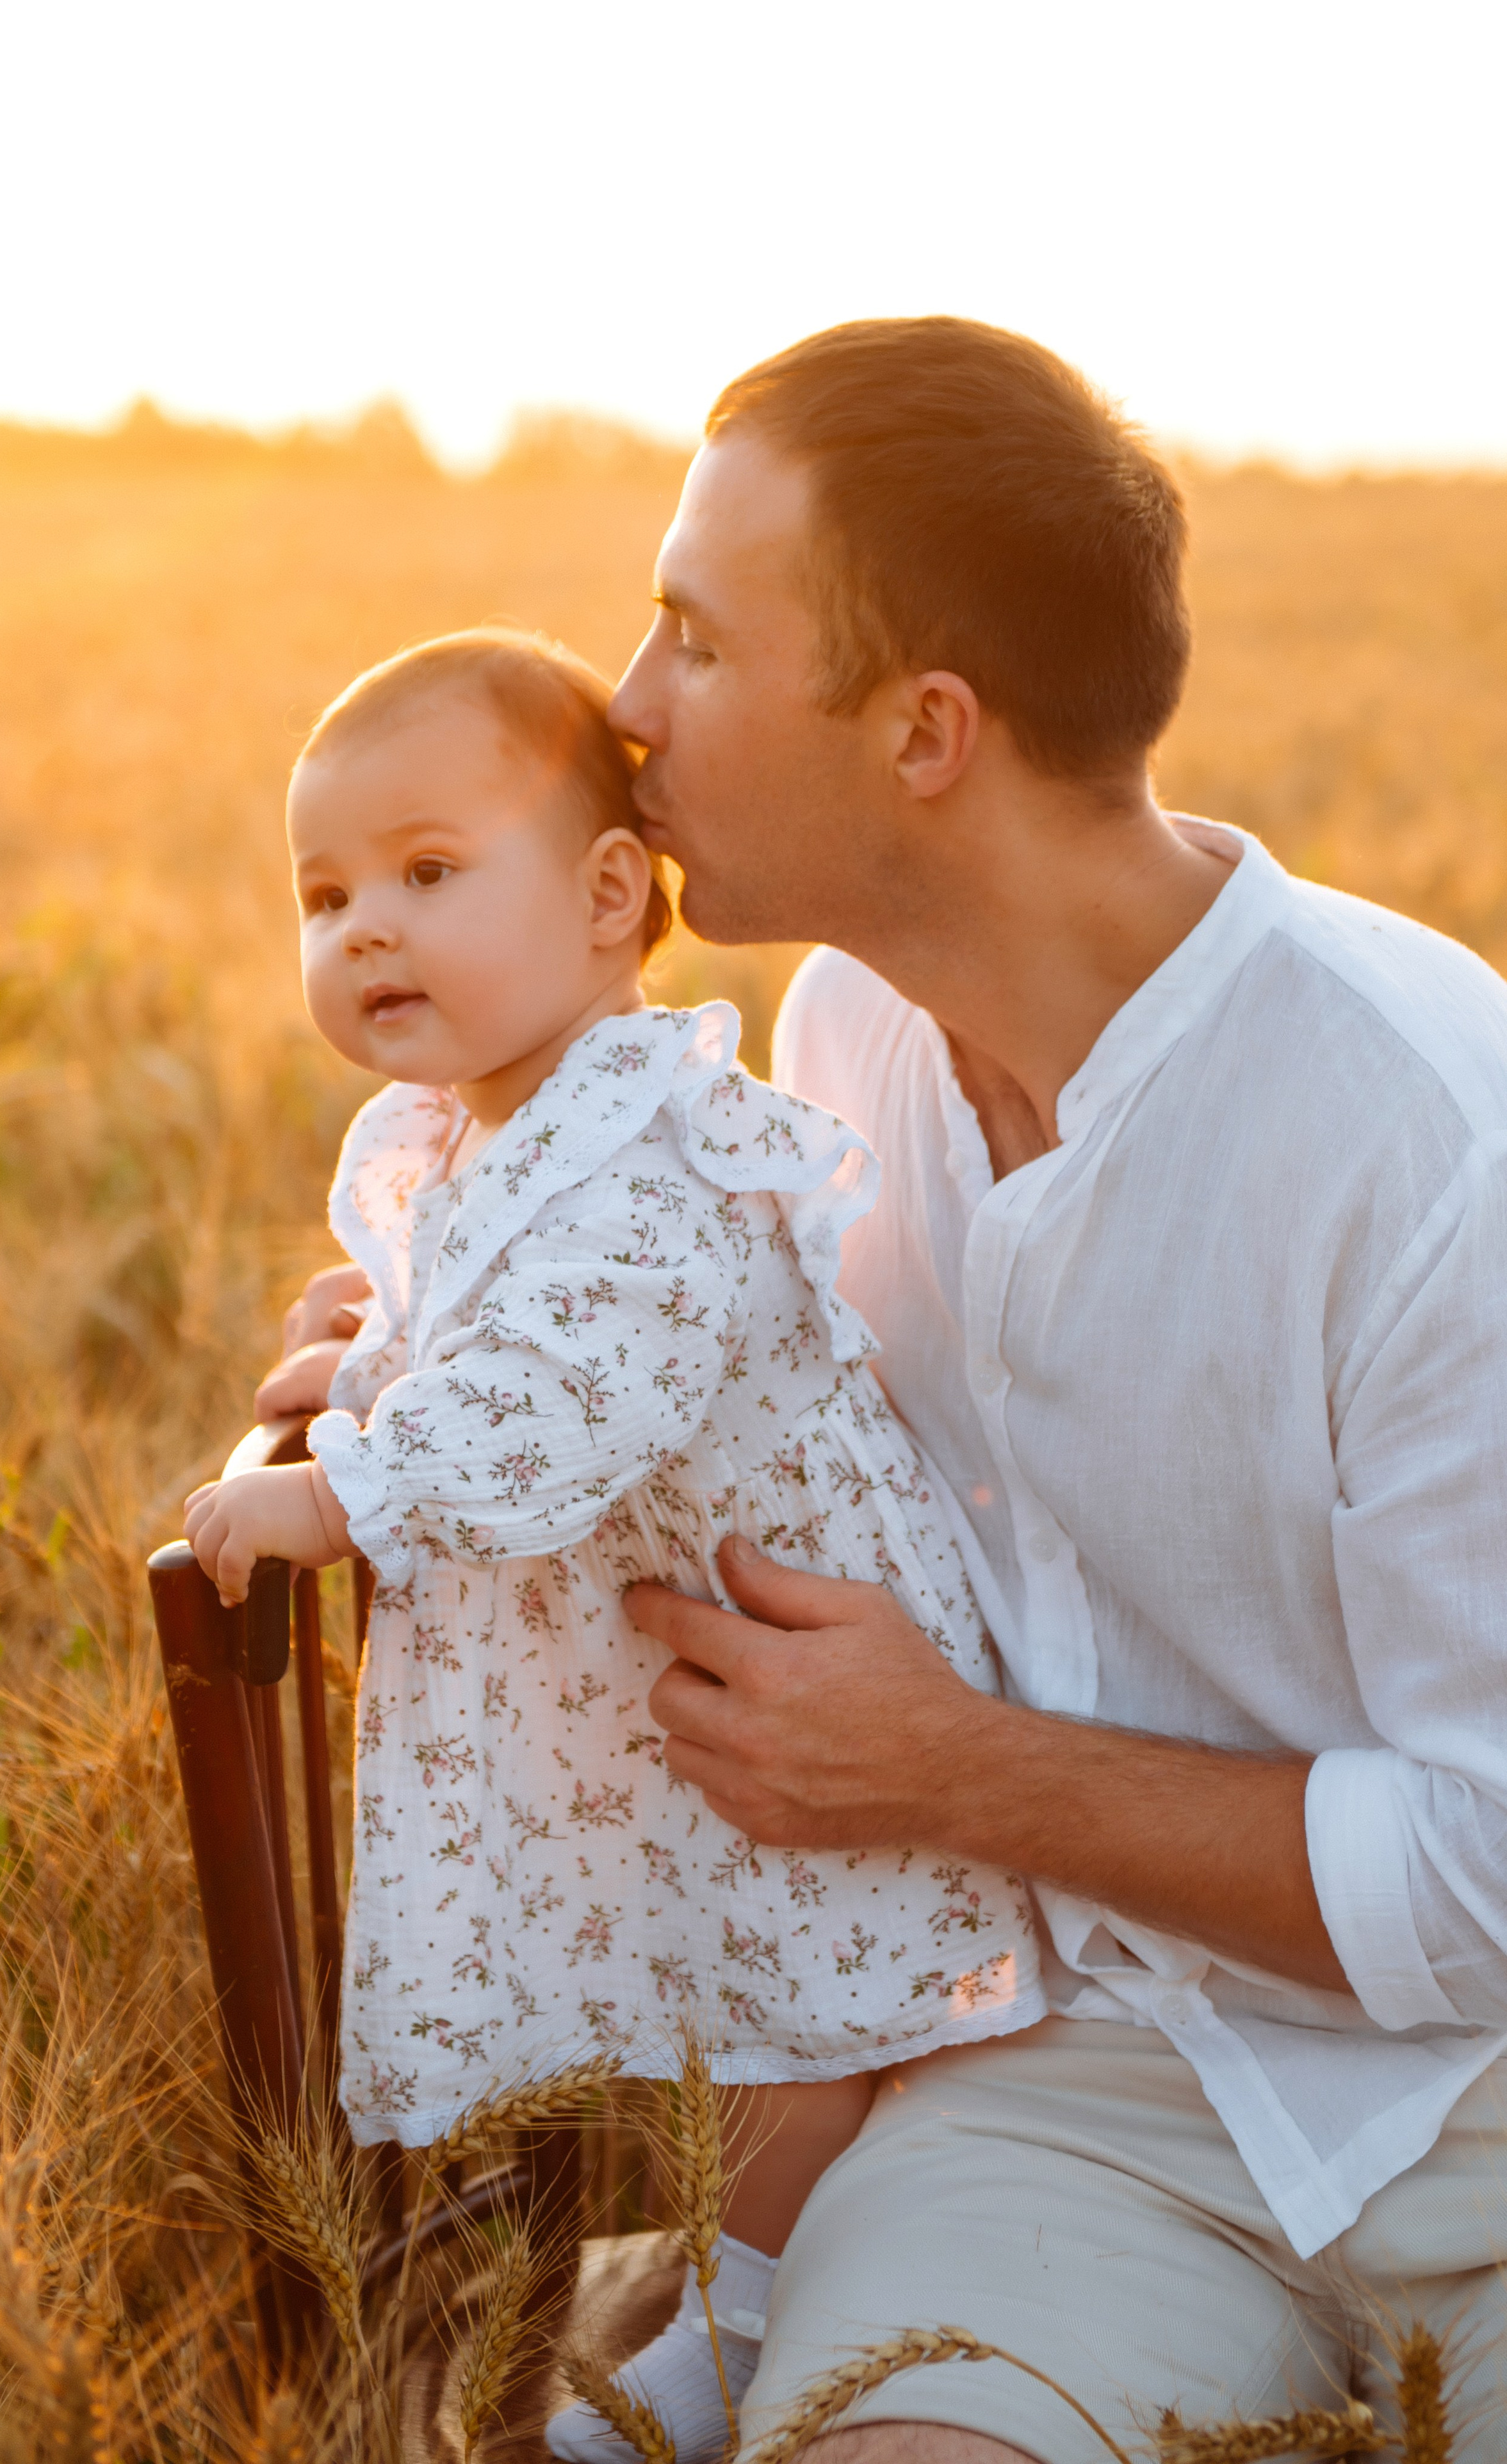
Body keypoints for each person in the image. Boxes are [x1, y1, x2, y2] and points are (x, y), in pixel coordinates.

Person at [606, 318, 1507, 2460]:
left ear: (926, 731)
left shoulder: (1431, 1143)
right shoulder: (843, 1037)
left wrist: (958, 1770)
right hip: (1075, 2082)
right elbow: (773, 1413)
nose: (623, 708)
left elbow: (1493, 1874)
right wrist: (449, 1345)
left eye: (696, 643)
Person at [182, 626, 1045, 2462]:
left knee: (782, 2019)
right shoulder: (491, 1122)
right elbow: (504, 1309)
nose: (368, 932)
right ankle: (782, 2277)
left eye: (429, 872)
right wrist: (391, 1346)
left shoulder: (652, 1142)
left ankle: (757, 2318)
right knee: (719, 2000)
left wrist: (341, 1492)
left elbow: (572, 1383)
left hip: (793, 1658)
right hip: (675, 1658)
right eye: (326, 897)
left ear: (601, 902)